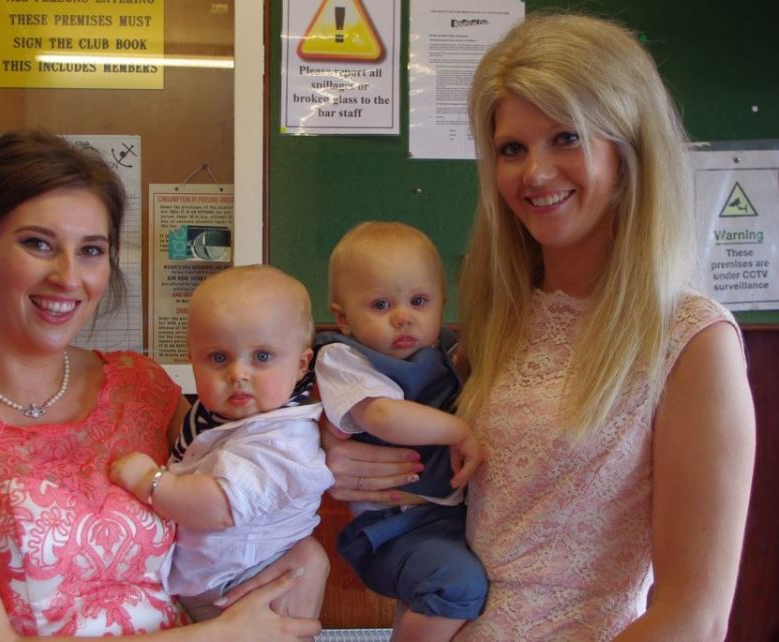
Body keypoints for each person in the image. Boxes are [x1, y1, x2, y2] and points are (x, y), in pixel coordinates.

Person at [322, 13, 755, 641]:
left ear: (629, 150)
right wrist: (346, 451)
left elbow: (695, 619)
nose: (536, 174)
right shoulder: (498, 322)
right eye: (512, 149)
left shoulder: (693, 341)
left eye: (567, 138)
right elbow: (418, 465)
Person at [0, 130, 324, 641]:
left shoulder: (140, 386)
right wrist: (216, 637)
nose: (68, 276)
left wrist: (325, 494)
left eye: (91, 250)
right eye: (38, 244)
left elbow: (246, 489)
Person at [110, 265, 334, 629]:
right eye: (218, 358)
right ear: (192, 359)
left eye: (262, 357)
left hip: (252, 584)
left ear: (300, 364)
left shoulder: (282, 439)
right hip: (215, 591)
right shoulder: (216, 418)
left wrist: (149, 482)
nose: (238, 373)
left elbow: (218, 505)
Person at [314, 221, 486, 642]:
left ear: (442, 305)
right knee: (457, 583)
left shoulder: (447, 353)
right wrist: (459, 431)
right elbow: (383, 417)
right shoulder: (345, 361)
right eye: (380, 305)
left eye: (419, 300)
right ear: (344, 318)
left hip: (450, 521)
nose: (403, 317)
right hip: (394, 530)